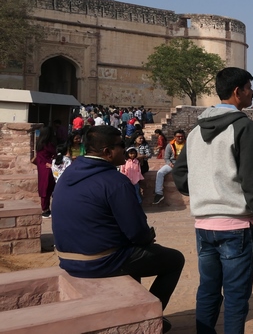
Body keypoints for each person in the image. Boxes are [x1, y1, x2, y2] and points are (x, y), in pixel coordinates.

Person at [173, 67, 253, 334]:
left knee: (208, 291)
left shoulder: (196, 131)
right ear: (237, 92)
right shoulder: (243, 127)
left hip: (204, 227)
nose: (252, 92)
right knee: (235, 297)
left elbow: (180, 174)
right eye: (249, 88)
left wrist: (203, 190)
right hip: (236, 228)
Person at [51, 126, 185, 331]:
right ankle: (148, 316)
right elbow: (137, 231)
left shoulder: (70, 173)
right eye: (121, 145)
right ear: (107, 152)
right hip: (100, 261)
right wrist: (146, 238)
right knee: (174, 259)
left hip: (67, 258)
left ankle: (137, 314)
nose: (126, 149)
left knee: (132, 252)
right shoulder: (115, 181)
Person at [153, 130, 185, 205]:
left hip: (183, 164)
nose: (180, 138)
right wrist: (170, 164)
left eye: (181, 136)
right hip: (172, 164)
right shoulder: (170, 145)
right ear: (175, 137)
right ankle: (159, 193)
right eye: (178, 137)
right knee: (160, 172)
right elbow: (166, 158)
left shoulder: (187, 144)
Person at [34, 126, 58, 218]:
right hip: (48, 167)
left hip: (42, 166)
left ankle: (45, 208)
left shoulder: (39, 143)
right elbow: (55, 152)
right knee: (48, 188)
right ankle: (45, 210)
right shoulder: (48, 144)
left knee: (44, 188)